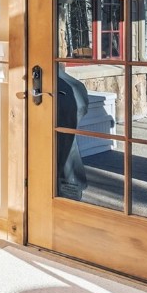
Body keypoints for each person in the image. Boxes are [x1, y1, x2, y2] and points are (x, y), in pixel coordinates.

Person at [56, 65, 89, 200]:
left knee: (64, 148)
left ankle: (68, 188)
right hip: (74, 100)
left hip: (65, 101)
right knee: (68, 146)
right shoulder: (74, 85)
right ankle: (72, 186)